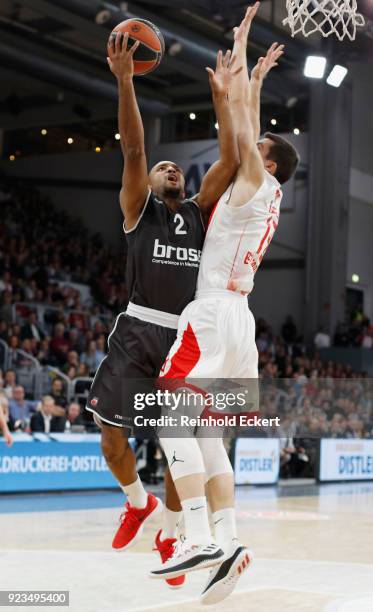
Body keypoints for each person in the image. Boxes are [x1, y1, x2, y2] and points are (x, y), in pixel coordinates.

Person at [150, 4, 300, 604]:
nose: (246, 146)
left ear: (265, 160)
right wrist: (254, 82)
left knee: (167, 410)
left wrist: (240, 63)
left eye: (256, 146)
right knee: (208, 434)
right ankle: (230, 542)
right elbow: (247, 128)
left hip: (212, 313)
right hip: (242, 325)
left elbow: (240, 127)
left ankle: (190, 534)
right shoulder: (270, 190)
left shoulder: (256, 178)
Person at [85, 29, 241, 587]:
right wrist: (125, 81)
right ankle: (136, 501)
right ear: (149, 184)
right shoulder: (138, 209)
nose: (170, 168)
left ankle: (174, 528)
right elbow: (133, 148)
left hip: (186, 337)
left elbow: (230, 158)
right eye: (163, 167)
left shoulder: (201, 212)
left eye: (177, 166)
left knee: (183, 447)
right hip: (138, 330)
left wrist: (224, 100)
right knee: (109, 433)